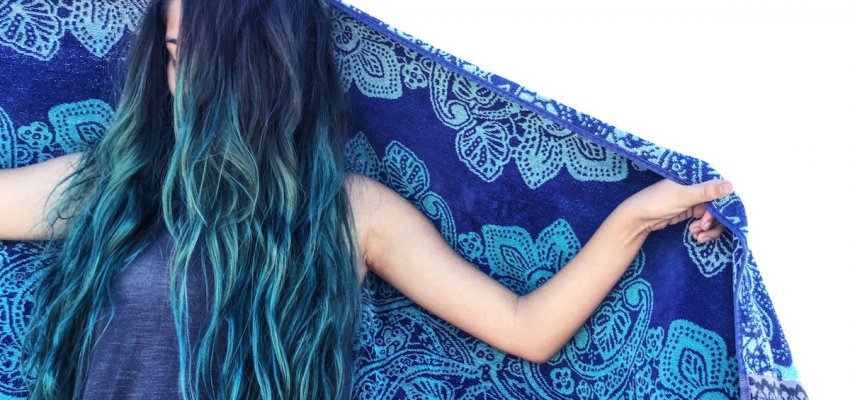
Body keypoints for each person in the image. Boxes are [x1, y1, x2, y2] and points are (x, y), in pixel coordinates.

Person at [0, 0, 731, 398]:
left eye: (205, 62)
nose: (182, 85)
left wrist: (635, 218)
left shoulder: (349, 213)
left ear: (270, 66)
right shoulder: (115, 183)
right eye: (171, 57)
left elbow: (526, 327)